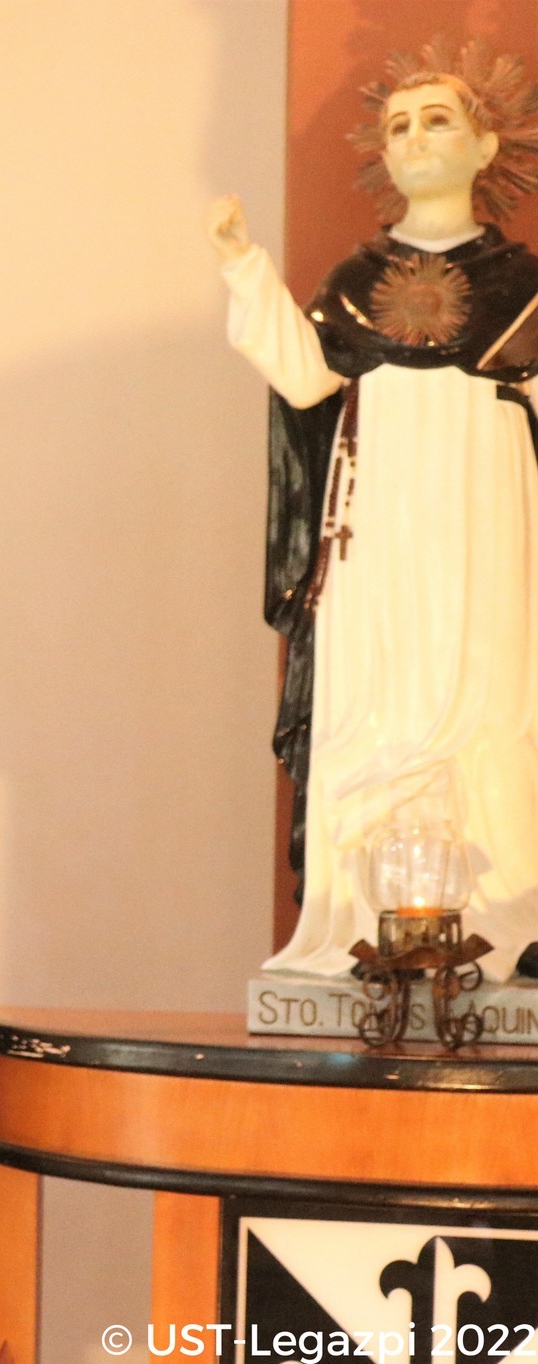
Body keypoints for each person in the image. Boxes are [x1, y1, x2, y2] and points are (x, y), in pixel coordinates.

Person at [207, 40, 538, 979]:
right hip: (374, 513)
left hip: (486, 506)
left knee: (493, 687)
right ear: (384, 156)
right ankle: (361, 916)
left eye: (438, 119)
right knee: (374, 693)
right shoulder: (353, 283)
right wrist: (243, 268)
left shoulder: (524, 286)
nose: (415, 137)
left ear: (485, 146)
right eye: (398, 126)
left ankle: (504, 917)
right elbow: (308, 379)